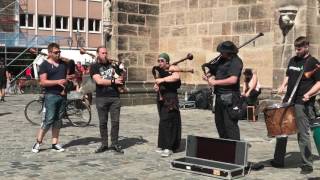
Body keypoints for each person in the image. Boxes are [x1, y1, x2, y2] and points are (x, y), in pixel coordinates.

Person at [271, 36, 320, 174]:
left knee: (302, 133)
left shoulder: (313, 62)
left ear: (306, 47)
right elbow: (288, 74)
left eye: (299, 49)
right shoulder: (293, 60)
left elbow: (319, 82)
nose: (297, 51)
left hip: (302, 101)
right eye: (296, 49)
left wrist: (309, 94)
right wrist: (282, 85)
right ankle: (278, 160)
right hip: (288, 99)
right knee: (281, 130)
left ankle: (307, 164)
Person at [203, 41, 243, 140]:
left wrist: (215, 82)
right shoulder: (221, 59)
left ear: (228, 52)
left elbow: (233, 80)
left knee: (230, 125)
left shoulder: (236, 62)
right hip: (219, 96)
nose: (220, 53)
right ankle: (225, 147)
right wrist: (208, 75)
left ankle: (234, 150)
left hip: (230, 97)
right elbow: (213, 69)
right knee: (220, 124)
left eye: (222, 52)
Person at [31, 43, 68, 153]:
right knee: (48, 119)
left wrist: (66, 84)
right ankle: (38, 142)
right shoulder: (44, 65)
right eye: (56, 52)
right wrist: (57, 82)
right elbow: (43, 82)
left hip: (62, 95)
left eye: (59, 52)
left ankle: (55, 143)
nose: (58, 54)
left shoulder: (63, 64)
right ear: (50, 53)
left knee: (58, 120)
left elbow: (65, 78)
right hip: (51, 95)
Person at [90, 46, 124, 153]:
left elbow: (121, 78)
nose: (105, 55)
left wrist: (122, 70)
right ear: (97, 54)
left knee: (115, 122)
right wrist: (114, 82)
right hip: (101, 97)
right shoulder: (94, 66)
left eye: (106, 53)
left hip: (114, 97)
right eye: (102, 53)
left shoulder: (113, 65)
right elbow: (99, 81)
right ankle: (104, 144)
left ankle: (114, 144)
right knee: (103, 122)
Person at [153, 53, 182, 157]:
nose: (160, 62)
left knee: (169, 121)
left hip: (170, 98)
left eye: (162, 60)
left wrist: (163, 80)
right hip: (161, 98)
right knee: (163, 121)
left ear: (167, 61)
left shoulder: (173, 68)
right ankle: (162, 145)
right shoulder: (160, 71)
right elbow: (159, 82)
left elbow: (176, 77)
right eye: (158, 60)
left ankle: (169, 147)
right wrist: (157, 86)